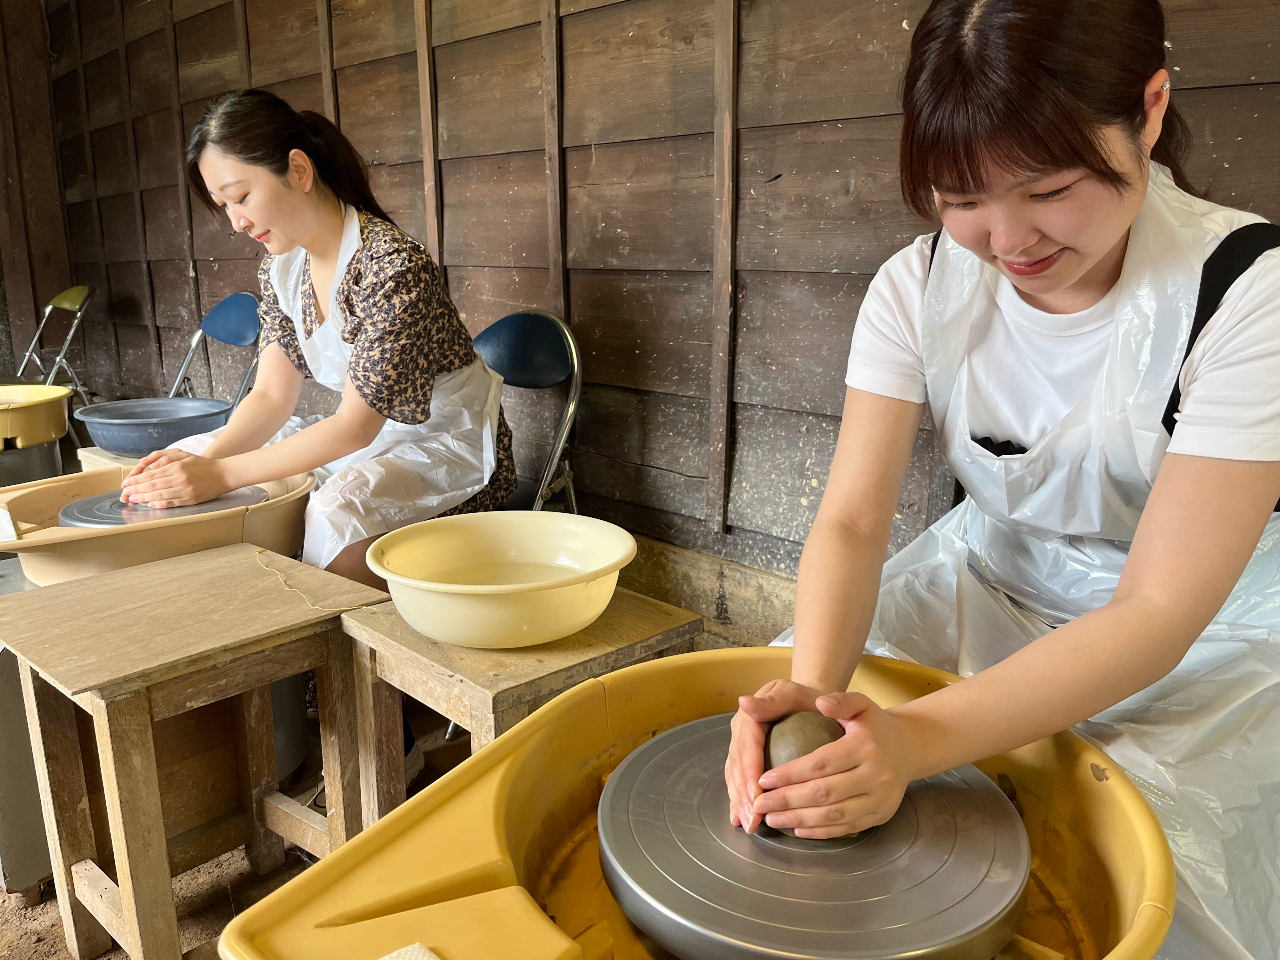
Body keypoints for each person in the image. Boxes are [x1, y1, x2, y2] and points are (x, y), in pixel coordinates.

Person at [723, 2, 1280, 957]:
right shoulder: (917, 284)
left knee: (1135, 837)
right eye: (961, 196)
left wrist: (911, 743)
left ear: (1150, 110)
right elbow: (855, 522)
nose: (1007, 238)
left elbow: (1154, 611)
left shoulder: (1248, 294)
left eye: (1049, 188)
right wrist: (810, 714)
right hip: (991, 574)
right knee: (805, 722)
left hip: (1216, 628)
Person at [118, 89, 517, 589]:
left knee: (334, 511)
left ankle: (343, 653)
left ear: (299, 170)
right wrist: (206, 463)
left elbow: (354, 428)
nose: (237, 223)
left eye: (241, 197)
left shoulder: (392, 268)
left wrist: (219, 477)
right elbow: (269, 396)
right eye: (224, 206)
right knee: (191, 450)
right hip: (368, 434)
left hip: (446, 442)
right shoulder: (284, 269)